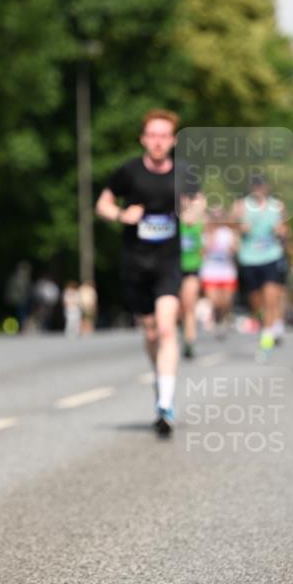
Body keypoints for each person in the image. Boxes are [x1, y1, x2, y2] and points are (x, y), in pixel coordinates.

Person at [96, 109, 183, 437]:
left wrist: (193, 210)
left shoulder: (184, 174)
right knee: (151, 334)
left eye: (164, 136)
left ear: (173, 140)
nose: (158, 141)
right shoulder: (129, 172)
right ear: (144, 139)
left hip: (168, 264)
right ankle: (161, 379)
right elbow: (102, 205)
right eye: (153, 135)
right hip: (135, 265)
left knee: (167, 329)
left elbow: (199, 203)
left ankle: (166, 404)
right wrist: (121, 215)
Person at [233, 173, 288, 358]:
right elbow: (233, 227)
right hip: (249, 259)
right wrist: (240, 228)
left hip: (271, 256)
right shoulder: (241, 206)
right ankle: (267, 326)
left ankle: (266, 339)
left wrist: (281, 231)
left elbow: (284, 230)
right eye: (255, 185)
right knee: (256, 302)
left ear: (267, 187)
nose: (258, 189)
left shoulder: (277, 206)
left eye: (261, 185)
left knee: (271, 297)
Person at [200, 209, 238, 336]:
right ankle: (217, 320)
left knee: (226, 301)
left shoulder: (227, 233)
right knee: (214, 301)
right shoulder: (204, 234)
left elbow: (235, 250)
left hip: (227, 271)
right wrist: (210, 239)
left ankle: (223, 318)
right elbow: (201, 253)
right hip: (210, 272)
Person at [179, 191, 206, 358]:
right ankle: (180, 329)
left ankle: (190, 340)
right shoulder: (175, 221)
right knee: (177, 308)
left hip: (192, 269)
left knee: (189, 305)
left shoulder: (201, 223)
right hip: (174, 269)